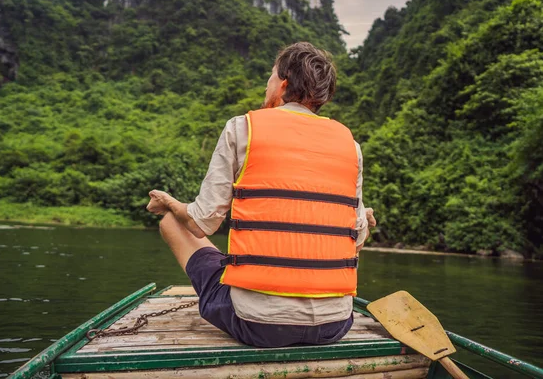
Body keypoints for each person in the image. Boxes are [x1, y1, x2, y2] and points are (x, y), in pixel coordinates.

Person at [147, 42, 376, 348]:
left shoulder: (242, 128)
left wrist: (171, 205)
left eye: (270, 76)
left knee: (172, 223)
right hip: (334, 325)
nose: (267, 84)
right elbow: (358, 239)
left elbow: (201, 223)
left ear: (282, 83)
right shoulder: (351, 147)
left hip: (257, 324)